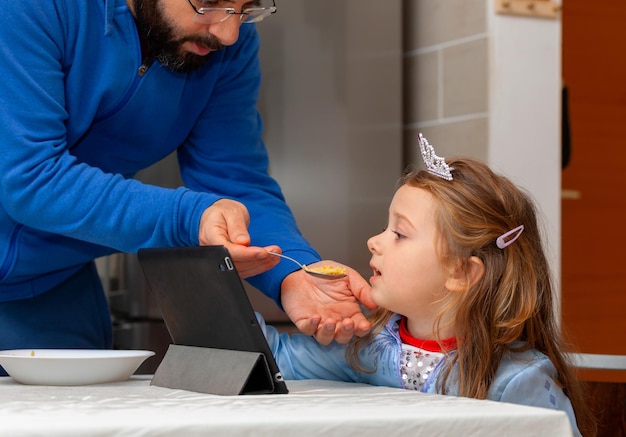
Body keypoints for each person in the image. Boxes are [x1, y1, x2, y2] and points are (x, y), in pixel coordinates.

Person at [0, 0, 375, 370]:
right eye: (209, 3)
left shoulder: (231, 43)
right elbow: (32, 177)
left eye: (247, 8)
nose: (228, 33)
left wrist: (293, 272)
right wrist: (189, 217)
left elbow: (234, 181)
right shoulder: (32, 8)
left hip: (54, 291)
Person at [260, 134, 595, 437]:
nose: (374, 241)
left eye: (400, 234)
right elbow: (271, 359)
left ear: (461, 272)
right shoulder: (365, 350)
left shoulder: (516, 380)